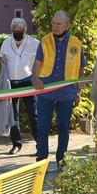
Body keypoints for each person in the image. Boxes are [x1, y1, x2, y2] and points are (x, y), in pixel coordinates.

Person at [32, 10, 86, 168]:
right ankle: (41, 160)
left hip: (67, 92)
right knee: (42, 127)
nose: (55, 27)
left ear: (67, 25)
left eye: (59, 24)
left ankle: (61, 159)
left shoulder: (76, 43)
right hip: (46, 91)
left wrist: (78, 92)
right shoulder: (45, 40)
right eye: (54, 23)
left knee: (64, 127)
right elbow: (36, 64)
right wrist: (36, 79)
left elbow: (80, 69)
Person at [0, 18, 40, 155]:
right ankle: (16, 144)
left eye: (19, 31)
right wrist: (0, 59)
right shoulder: (6, 42)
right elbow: (0, 56)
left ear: (24, 30)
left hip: (28, 82)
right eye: (14, 31)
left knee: (34, 115)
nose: (16, 33)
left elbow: (42, 59)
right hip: (11, 83)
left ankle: (40, 144)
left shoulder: (34, 43)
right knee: (12, 116)